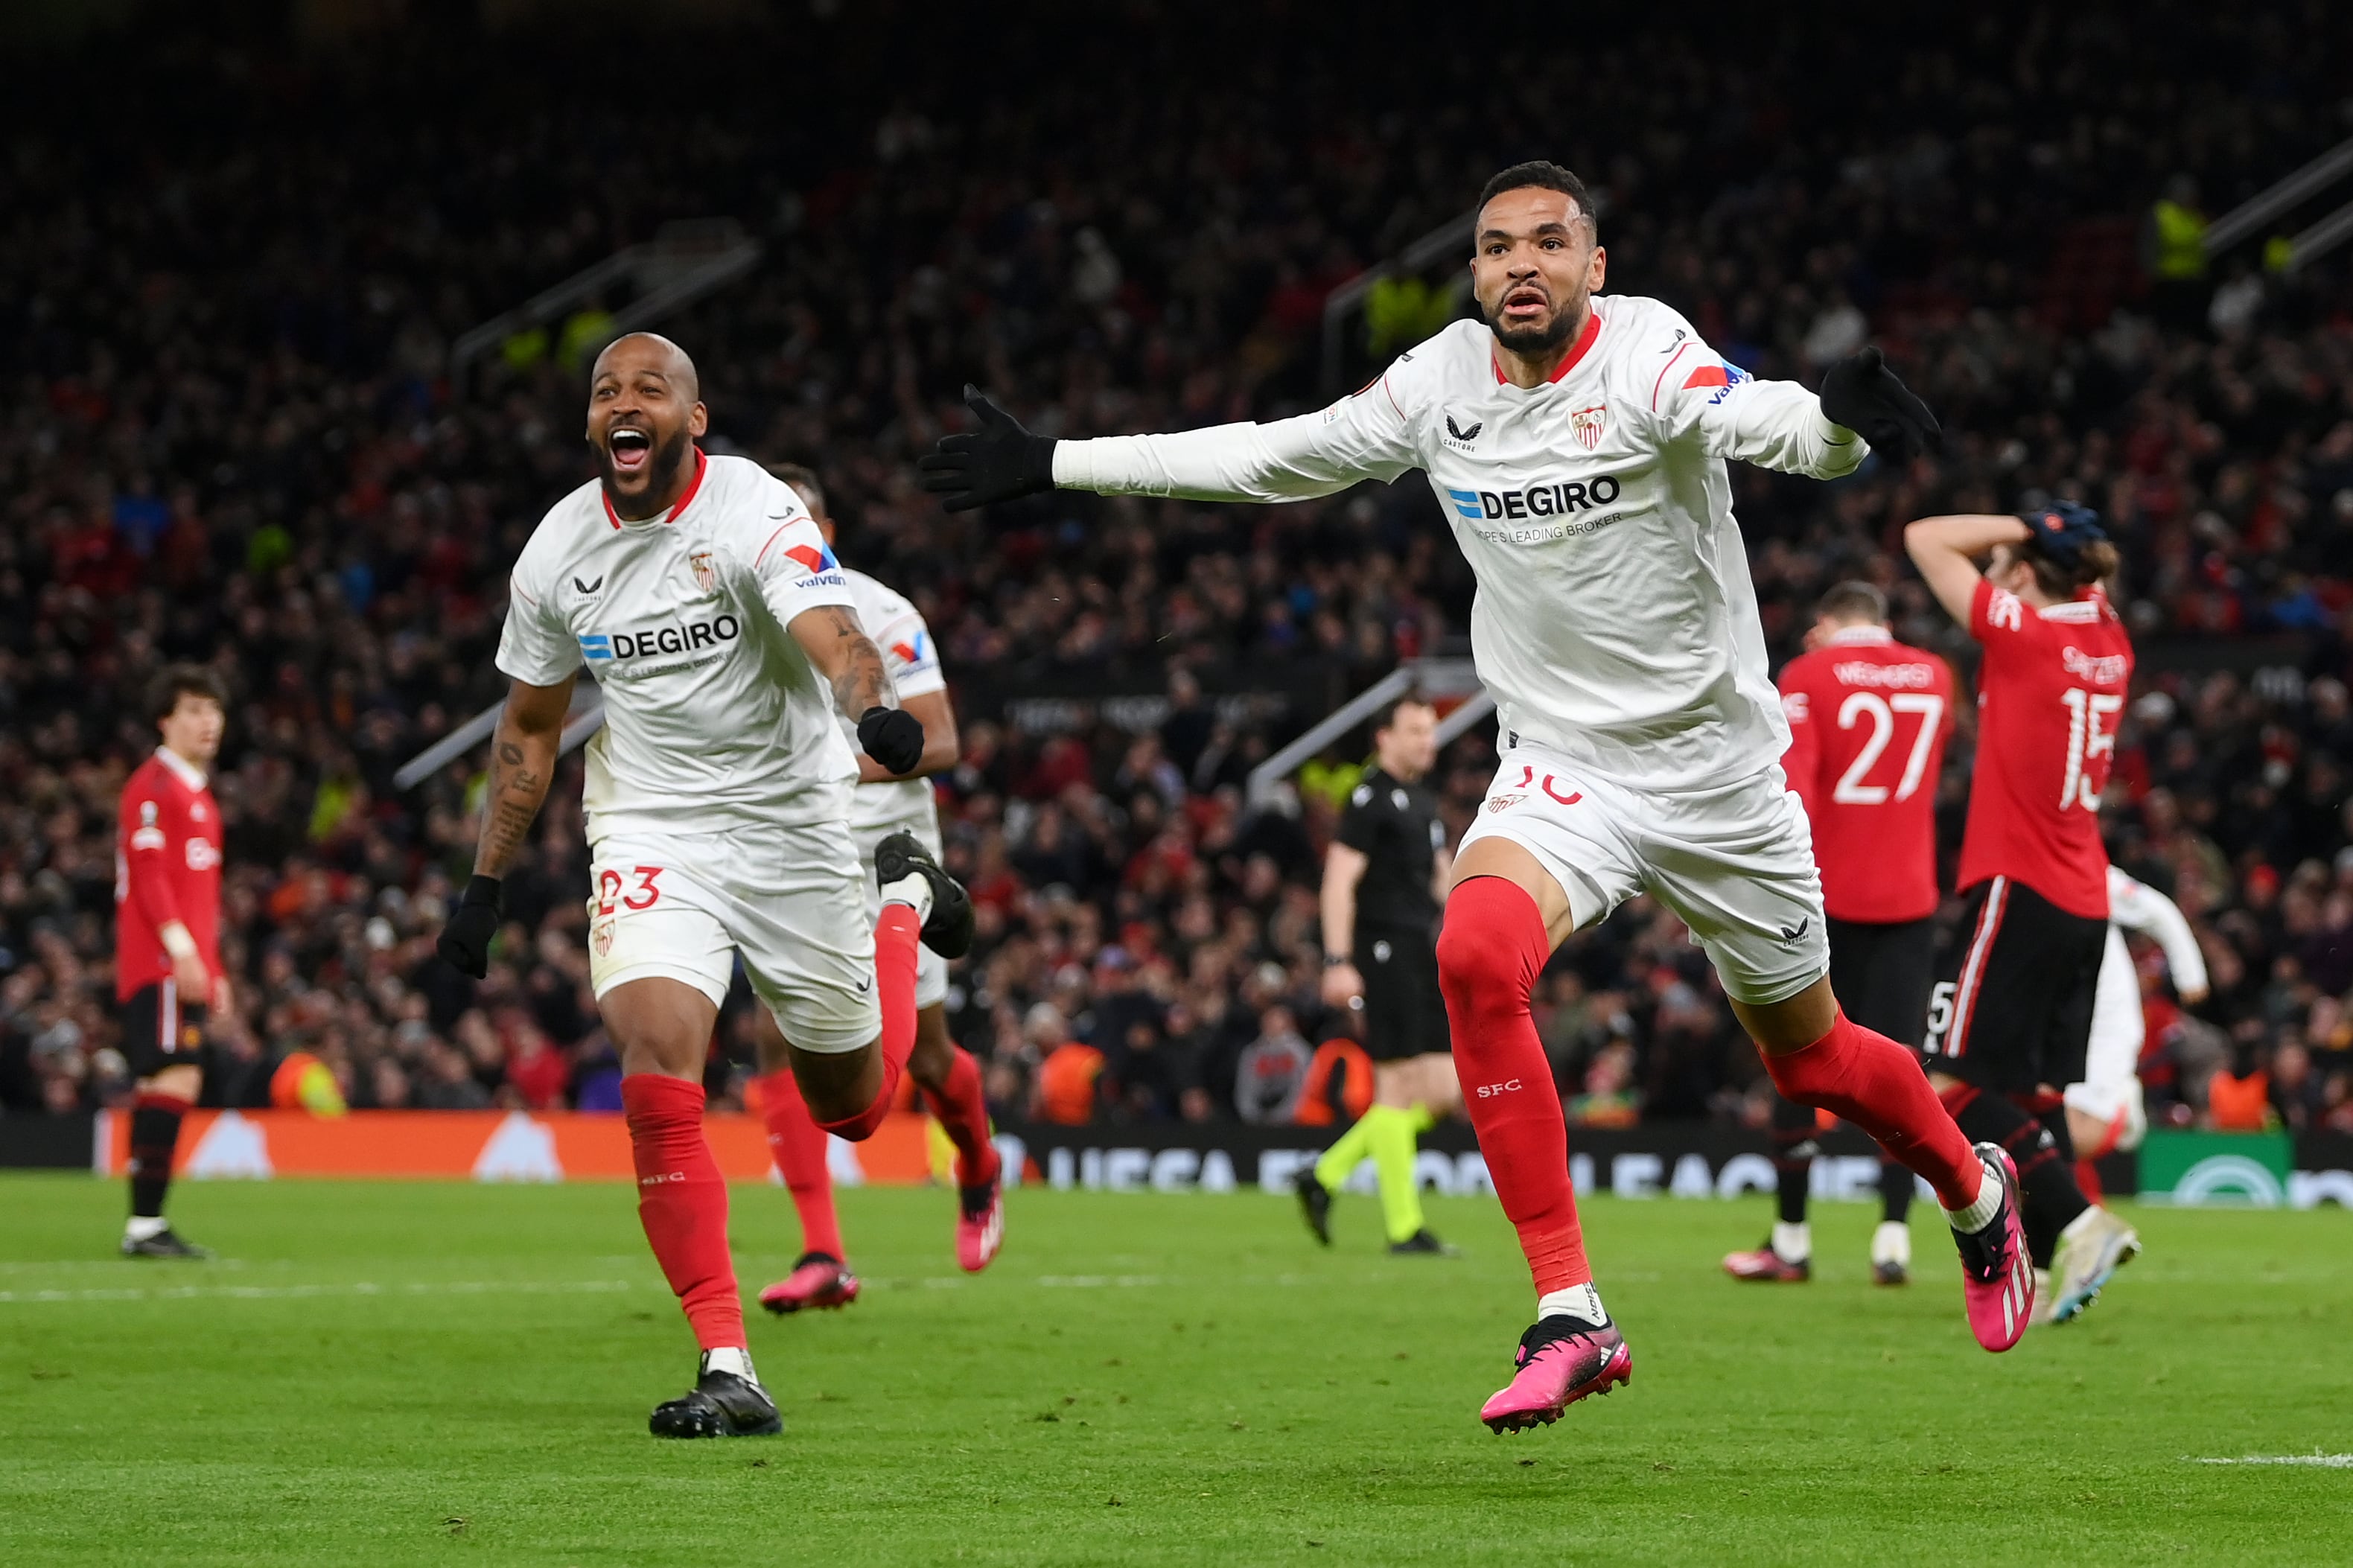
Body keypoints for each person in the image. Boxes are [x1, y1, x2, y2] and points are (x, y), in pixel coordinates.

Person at [924, 160, 2034, 1435]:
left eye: (1549, 243)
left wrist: (1840, 424)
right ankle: (1573, 1309)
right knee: (1472, 952)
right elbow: (1277, 456)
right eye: (1497, 245)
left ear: (1594, 268)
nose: (1521, 263)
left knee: (1815, 1065)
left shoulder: (1646, 352)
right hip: (1565, 762)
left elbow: (1767, 421)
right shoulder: (1437, 381)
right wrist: (1055, 463)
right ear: (1472, 274)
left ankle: (1973, 1190)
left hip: (1722, 776)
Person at [435, 333, 973, 1438]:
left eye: (649, 389)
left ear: (694, 417)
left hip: (792, 824)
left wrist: (867, 703)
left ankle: (902, 904)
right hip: (650, 822)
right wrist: (483, 883)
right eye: (604, 392)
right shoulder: (556, 552)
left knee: (857, 1111)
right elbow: (530, 730)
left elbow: (837, 634)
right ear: (593, 425)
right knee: (654, 1053)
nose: (623, 404)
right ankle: (729, 1360)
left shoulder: (751, 507)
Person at [748, 462, 1004, 1317]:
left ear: (822, 530)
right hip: (792, 844)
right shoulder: (738, 617)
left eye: (798, 521)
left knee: (925, 1058)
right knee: (777, 1040)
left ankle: (977, 1164)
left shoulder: (883, 613)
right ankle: (823, 1252)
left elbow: (941, 741)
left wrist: (832, 765)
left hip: (884, 842)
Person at [1905, 502, 2144, 1327]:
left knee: (1943, 1085)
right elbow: (2087, 574)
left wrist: (2013, 525)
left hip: (2018, 886)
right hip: (2083, 900)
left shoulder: (2026, 636)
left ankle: (2079, 1224)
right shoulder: (2111, 643)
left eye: (2007, 560)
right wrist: (2043, 543)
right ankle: (2047, 1269)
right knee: (2033, 1091)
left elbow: (1924, 538)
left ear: (2024, 575)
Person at [1723, 582, 1953, 1287]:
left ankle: (1790, 1242)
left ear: (1825, 624)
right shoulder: (1937, 676)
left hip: (1827, 899)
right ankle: (1892, 1242)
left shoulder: (1808, 674)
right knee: (1898, 1069)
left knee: (1796, 1062)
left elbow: (1796, 788)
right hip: (1911, 899)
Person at [1297, 694, 1462, 1255]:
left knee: (1444, 1091)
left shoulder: (1421, 798)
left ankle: (1325, 1173)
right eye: (1416, 731)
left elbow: (1441, 880)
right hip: (1383, 949)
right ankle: (1404, 1229)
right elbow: (1339, 881)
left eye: (1431, 731)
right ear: (1384, 738)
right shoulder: (1369, 798)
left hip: (1422, 951)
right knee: (1396, 1086)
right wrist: (1339, 961)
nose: (1428, 741)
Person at [114, 665, 232, 1259]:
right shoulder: (156, 787)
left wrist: (215, 969)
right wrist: (184, 954)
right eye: (193, 710)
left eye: (213, 711)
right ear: (165, 720)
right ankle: (144, 1227)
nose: (207, 722)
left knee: (169, 1079)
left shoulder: (196, 795)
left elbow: (199, 899)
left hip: (181, 962)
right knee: (175, 1078)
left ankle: (145, 1224)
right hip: (160, 962)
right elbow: (149, 876)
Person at [2065, 866, 2209, 1202]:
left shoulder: (2086, 871)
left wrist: (2191, 977)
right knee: (2045, 1137)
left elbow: (2158, 912)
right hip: (2062, 1028)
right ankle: (2082, 1223)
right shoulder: (2014, 880)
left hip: (2106, 1029)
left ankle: (2120, 1101)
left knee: (2071, 1138)